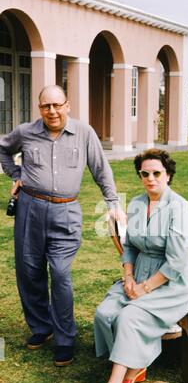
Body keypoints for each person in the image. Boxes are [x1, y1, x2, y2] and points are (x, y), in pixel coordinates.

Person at [0, 85, 124, 367]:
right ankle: (41, 328)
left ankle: (65, 338)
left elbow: (100, 168)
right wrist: (16, 173)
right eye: (46, 106)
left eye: (57, 105)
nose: (52, 111)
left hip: (66, 211)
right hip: (30, 208)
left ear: (67, 105)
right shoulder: (25, 132)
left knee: (60, 273)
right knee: (29, 271)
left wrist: (113, 203)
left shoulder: (84, 132)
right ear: (39, 108)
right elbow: (3, 150)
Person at [86, 148, 188, 383]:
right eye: (145, 174)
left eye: (157, 173)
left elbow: (175, 261)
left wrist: (145, 288)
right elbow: (130, 247)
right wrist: (128, 278)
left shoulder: (180, 208)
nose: (150, 178)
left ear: (168, 175)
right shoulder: (137, 204)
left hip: (173, 282)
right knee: (104, 313)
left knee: (129, 316)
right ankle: (135, 363)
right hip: (137, 275)